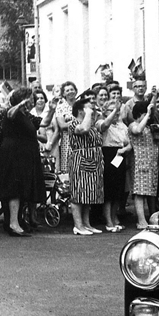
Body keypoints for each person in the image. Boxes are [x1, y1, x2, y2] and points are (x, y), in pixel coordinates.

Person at [0, 87, 58, 236]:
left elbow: (44, 123)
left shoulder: (27, 115)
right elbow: (10, 114)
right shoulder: (11, 111)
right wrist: (20, 104)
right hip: (13, 153)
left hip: (25, 154)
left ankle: (18, 222)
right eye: (30, 98)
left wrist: (51, 110)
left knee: (22, 188)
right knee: (14, 188)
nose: (33, 101)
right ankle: (13, 224)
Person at [68, 95, 105, 235]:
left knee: (88, 194)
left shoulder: (92, 124)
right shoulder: (74, 124)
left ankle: (86, 224)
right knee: (78, 193)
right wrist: (88, 113)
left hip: (93, 161)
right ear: (81, 110)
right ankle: (78, 225)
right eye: (90, 108)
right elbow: (83, 129)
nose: (93, 110)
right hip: (81, 161)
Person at [98, 98, 131, 232]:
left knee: (118, 190)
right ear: (105, 111)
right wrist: (115, 110)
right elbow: (104, 126)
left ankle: (114, 216)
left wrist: (124, 149)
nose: (116, 113)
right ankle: (108, 221)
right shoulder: (101, 122)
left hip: (120, 155)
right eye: (112, 110)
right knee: (109, 191)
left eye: (117, 110)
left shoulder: (122, 126)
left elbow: (129, 143)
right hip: (108, 154)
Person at [130, 100, 159, 229]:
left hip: (151, 162)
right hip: (140, 162)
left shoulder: (148, 126)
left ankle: (148, 219)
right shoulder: (133, 125)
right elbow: (137, 130)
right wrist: (147, 113)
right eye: (144, 114)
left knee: (149, 192)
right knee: (139, 193)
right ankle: (141, 220)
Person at [54, 81, 78, 174]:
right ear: (63, 94)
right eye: (67, 90)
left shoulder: (81, 105)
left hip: (82, 140)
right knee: (67, 170)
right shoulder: (60, 107)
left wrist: (70, 122)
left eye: (72, 89)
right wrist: (78, 123)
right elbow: (62, 125)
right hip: (67, 141)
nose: (70, 92)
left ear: (76, 91)